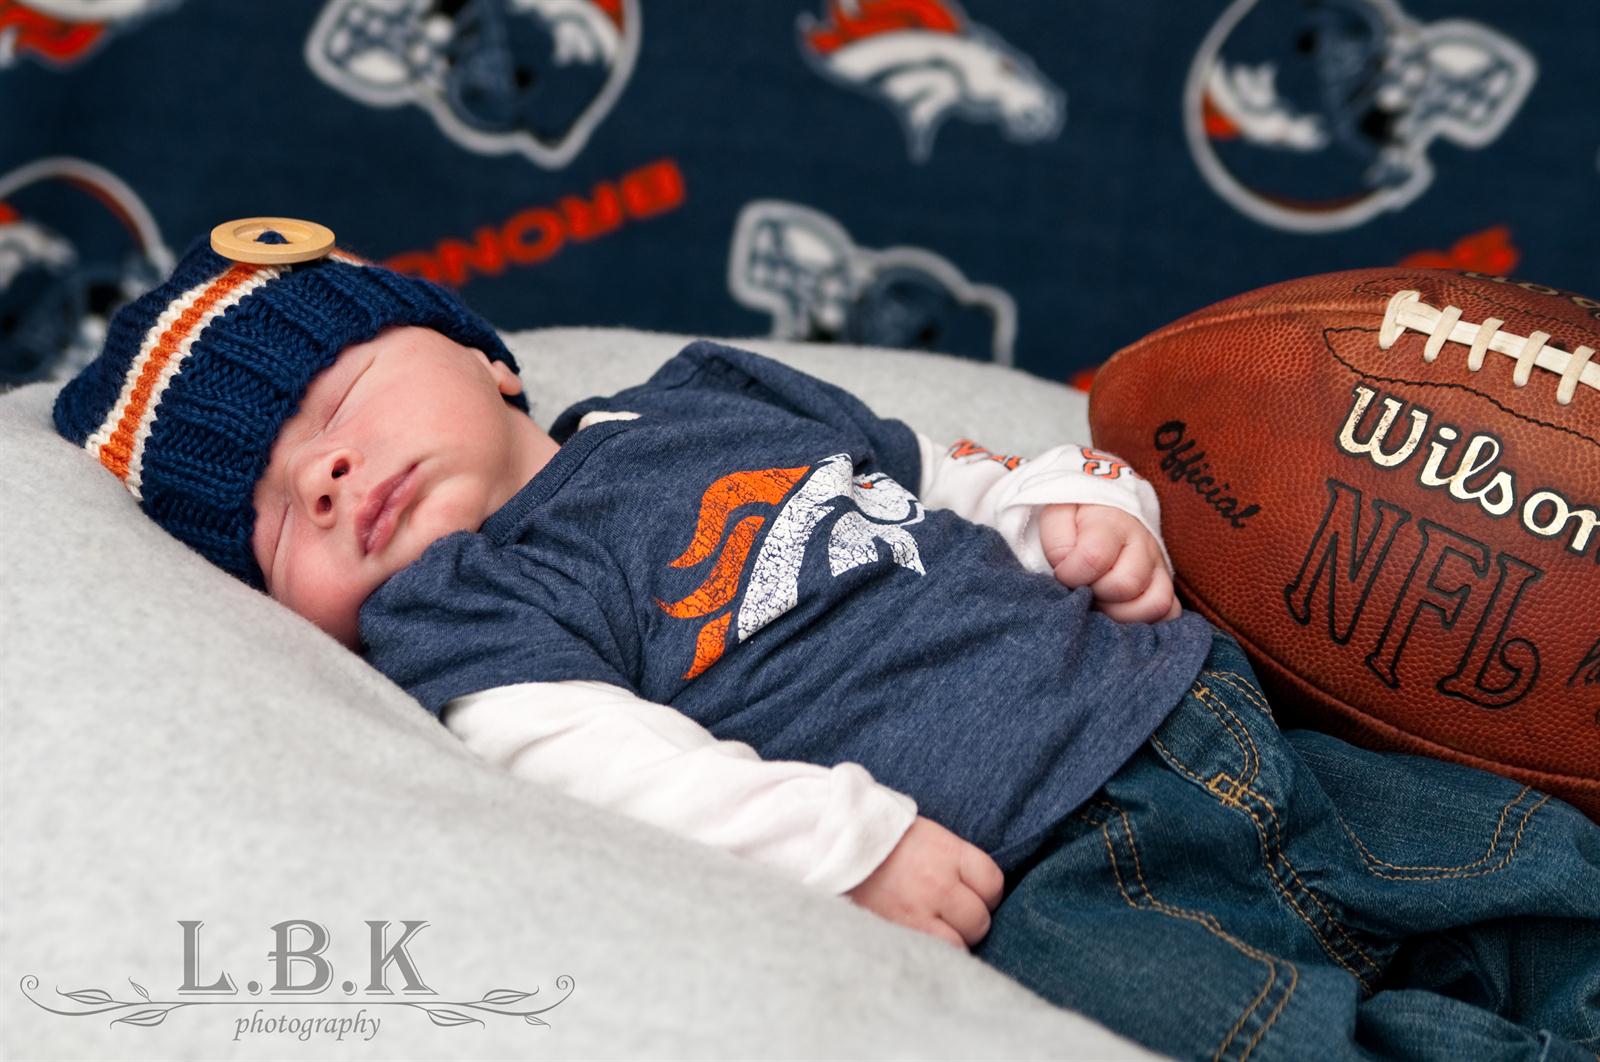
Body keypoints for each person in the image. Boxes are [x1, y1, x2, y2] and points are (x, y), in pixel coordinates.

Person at [54, 222, 1600, 1061]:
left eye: (335, 400)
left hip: (1199, 705)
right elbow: (597, 760)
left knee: (1525, 858)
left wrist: (1086, 508)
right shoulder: (469, 608)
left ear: (478, 354)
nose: (328, 472)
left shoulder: (706, 392)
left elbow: (951, 471)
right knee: (1247, 1025)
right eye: (277, 514)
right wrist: (846, 846)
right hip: (1046, 861)